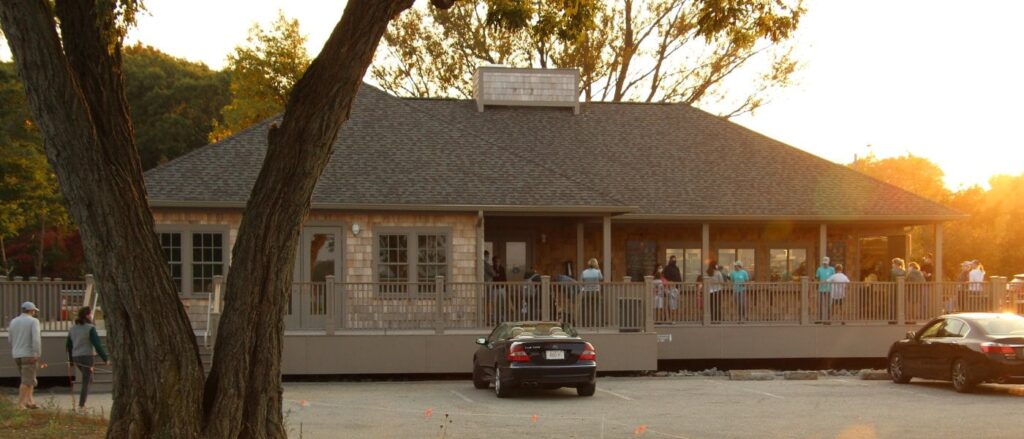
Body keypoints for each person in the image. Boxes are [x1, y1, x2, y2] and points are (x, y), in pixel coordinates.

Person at [66, 306, 109, 412]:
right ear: (87, 315)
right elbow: (97, 344)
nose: (92, 315)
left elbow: (69, 345)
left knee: (88, 378)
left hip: (76, 357)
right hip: (87, 357)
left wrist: (71, 361)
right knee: (86, 381)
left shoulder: (72, 329)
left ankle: (82, 403)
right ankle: (81, 405)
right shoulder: (90, 328)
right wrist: (105, 358)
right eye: (91, 313)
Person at [8, 301, 41, 410]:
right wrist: (37, 353)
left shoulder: (13, 321)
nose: (35, 313)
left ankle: (30, 401)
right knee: (26, 381)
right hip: (29, 353)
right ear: (31, 310)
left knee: (29, 378)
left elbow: (10, 339)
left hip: (17, 353)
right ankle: (20, 404)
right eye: (34, 311)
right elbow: (36, 339)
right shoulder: (33, 321)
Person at [580, 258, 604, 326]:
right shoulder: (598, 271)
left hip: (586, 291)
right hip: (595, 291)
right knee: (595, 308)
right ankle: (593, 323)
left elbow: (581, 282)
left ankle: (585, 323)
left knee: (585, 308)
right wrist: (598, 268)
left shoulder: (584, 272)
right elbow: (601, 278)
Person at [816, 257, 836, 322]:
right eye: (824, 263)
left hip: (829, 289)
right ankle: (820, 319)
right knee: (820, 304)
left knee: (828, 304)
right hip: (821, 289)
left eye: (826, 263)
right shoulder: (819, 269)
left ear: (828, 263)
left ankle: (828, 319)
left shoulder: (832, 269)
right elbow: (817, 277)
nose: (825, 264)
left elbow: (834, 278)